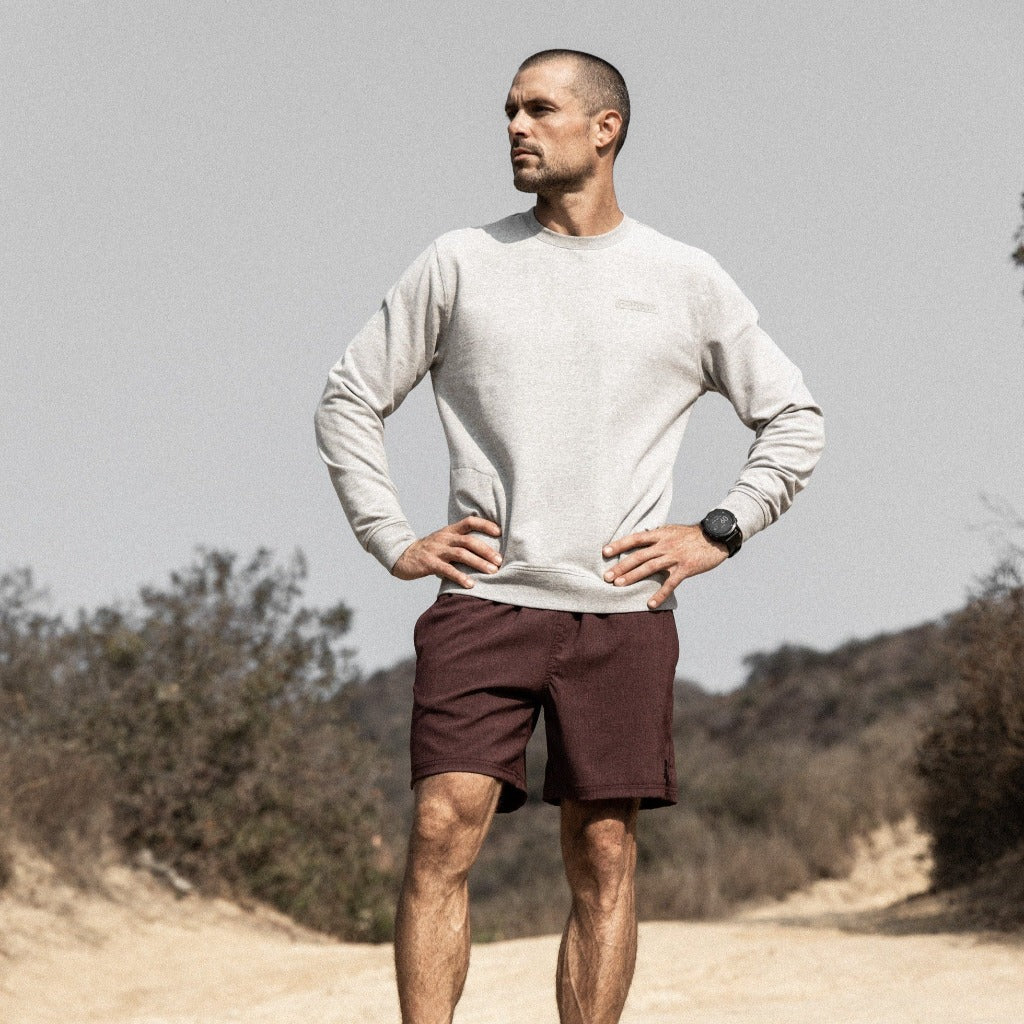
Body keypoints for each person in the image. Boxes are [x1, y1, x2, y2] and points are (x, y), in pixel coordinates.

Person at [315, 48, 824, 1024]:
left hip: (621, 614)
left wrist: (719, 529)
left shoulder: (684, 278)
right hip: (482, 603)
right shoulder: (459, 262)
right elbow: (348, 397)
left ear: (605, 128)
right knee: (440, 828)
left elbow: (794, 417)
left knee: (604, 850)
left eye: (539, 109)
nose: (515, 126)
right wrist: (391, 535)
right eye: (509, 110)